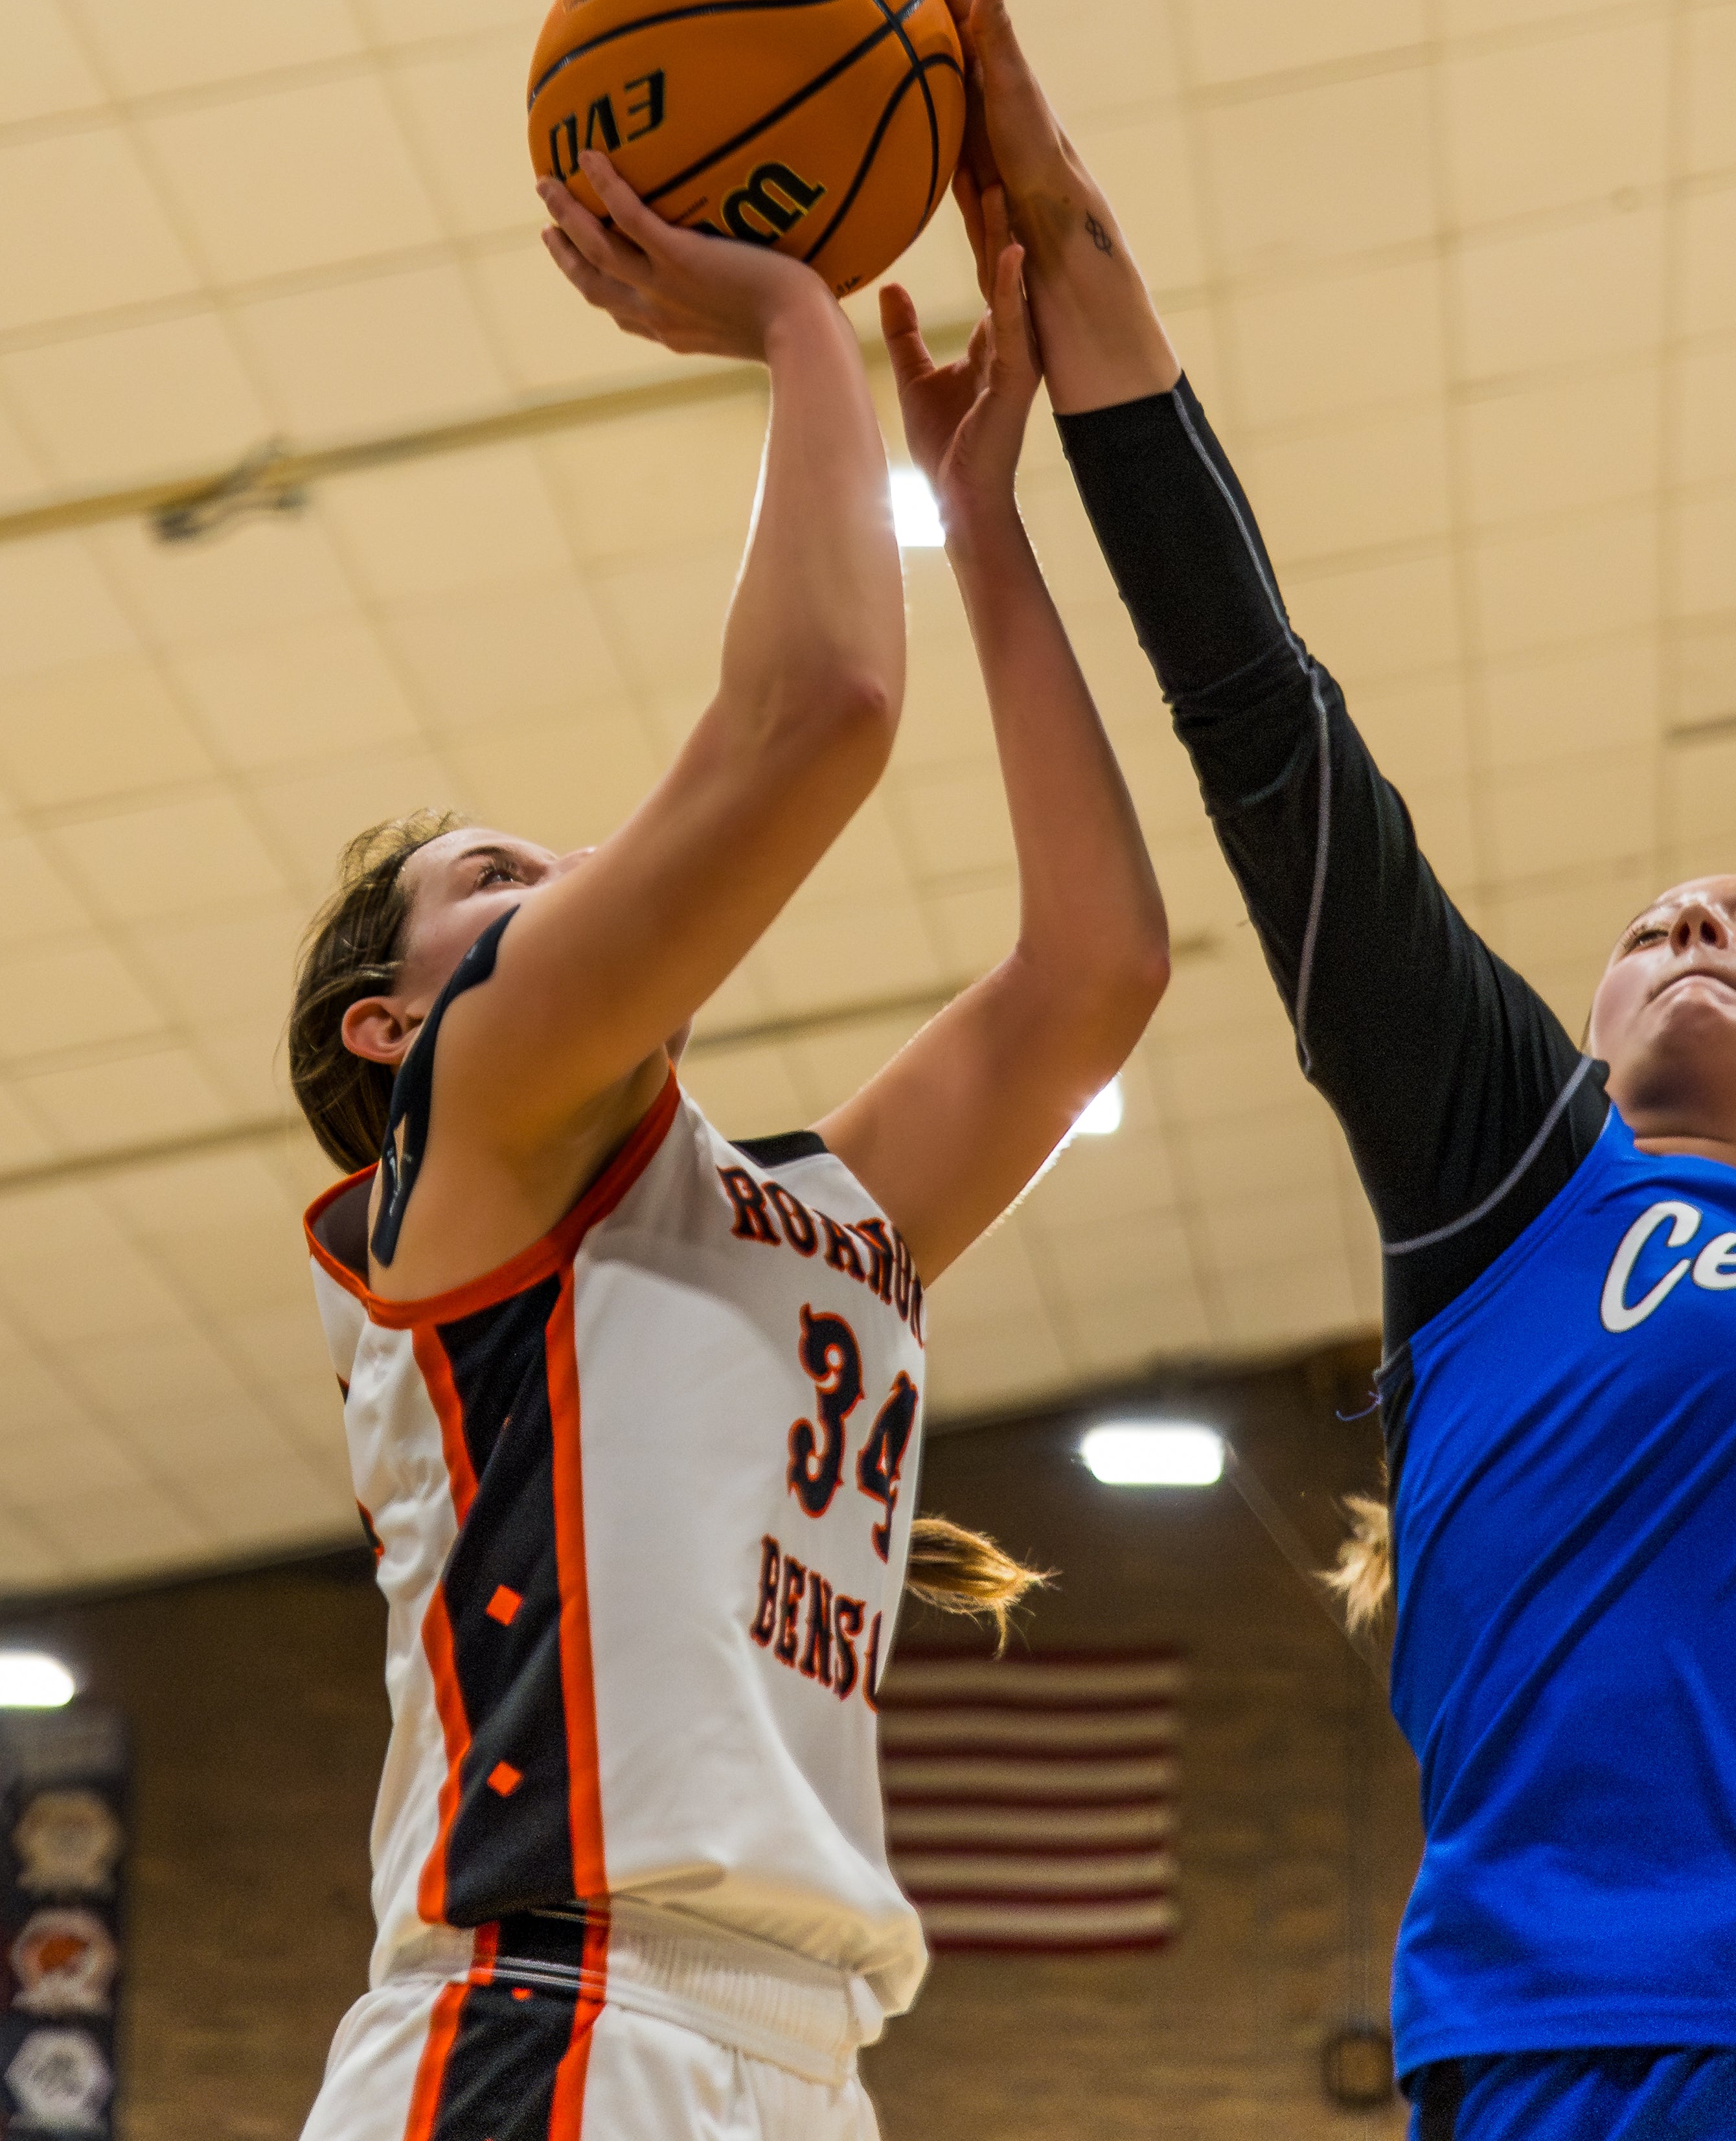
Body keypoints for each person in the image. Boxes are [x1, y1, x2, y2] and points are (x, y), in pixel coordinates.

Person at [873, 0, 1736, 2139]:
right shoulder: (1519, 1174)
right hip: (1579, 2044)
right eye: (1660, 912)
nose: (1692, 910)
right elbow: (1265, 728)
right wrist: (1068, 244)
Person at [286, 148, 1167, 2141]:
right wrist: (788, 320)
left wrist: (983, 527)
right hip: (549, 2021)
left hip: (791, 2057)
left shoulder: (799, 1215)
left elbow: (1096, 965)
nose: (586, 872)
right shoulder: (484, 1114)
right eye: (498, 877)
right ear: (390, 1023)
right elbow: (825, 706)